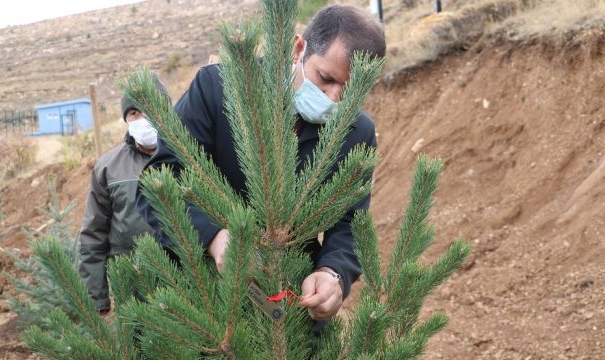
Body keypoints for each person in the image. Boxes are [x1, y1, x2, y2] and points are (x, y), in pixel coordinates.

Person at [136, 5, 385, 326]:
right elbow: (157, 182)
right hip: (193, 303)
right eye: (325, 78)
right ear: (298, 49)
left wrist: (333, 273)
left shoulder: (358, 132)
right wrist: (213, 238)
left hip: (283, 313)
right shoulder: (217, 90)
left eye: (350, 91)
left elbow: (351, 223)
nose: (335, 99)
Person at [78, 74, 171, 314]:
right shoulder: (108, 167)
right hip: (133, 286)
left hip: (187, 282)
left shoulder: (190, 156)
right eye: (134, 113)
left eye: (149, 108)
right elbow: (93, 233)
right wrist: (96, 298)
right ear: (126, 119)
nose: (142, 118)